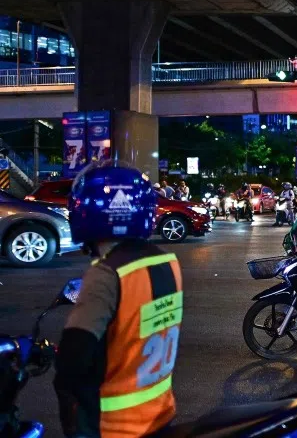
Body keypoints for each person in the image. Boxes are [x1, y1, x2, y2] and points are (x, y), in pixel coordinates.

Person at [54, 163, 182, 437]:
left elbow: (72, 360)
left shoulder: (106, 273)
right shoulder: (168, 262)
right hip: (160, 415)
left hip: (115, 427)